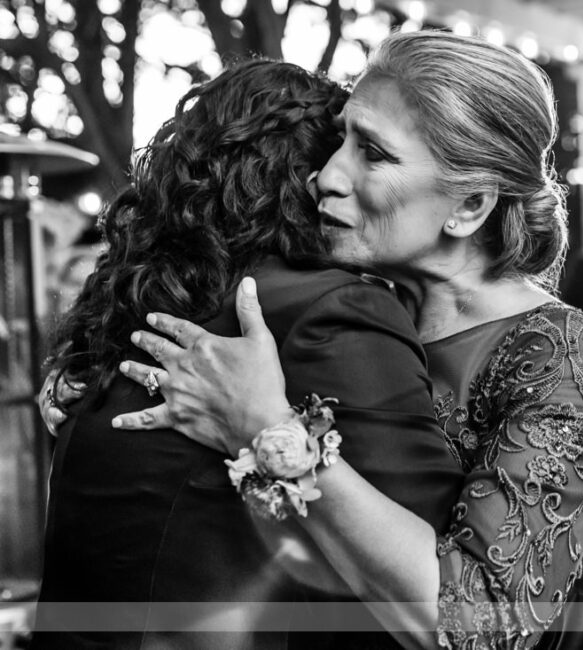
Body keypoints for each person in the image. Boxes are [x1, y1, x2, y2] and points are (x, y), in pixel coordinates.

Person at [97, 31, 583, 649]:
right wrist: (96, 383)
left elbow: (483, 626)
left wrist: (273, 432)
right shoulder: (352, 305)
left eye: (372, 154)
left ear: (471, 204)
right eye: (339, 139)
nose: (325, 175)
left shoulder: (556, 353)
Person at [32, 59, 466, 650]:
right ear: (309, 172)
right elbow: (452, 600)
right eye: (345, 150)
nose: (341, 178)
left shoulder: (137, 312)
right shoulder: (328, 311)